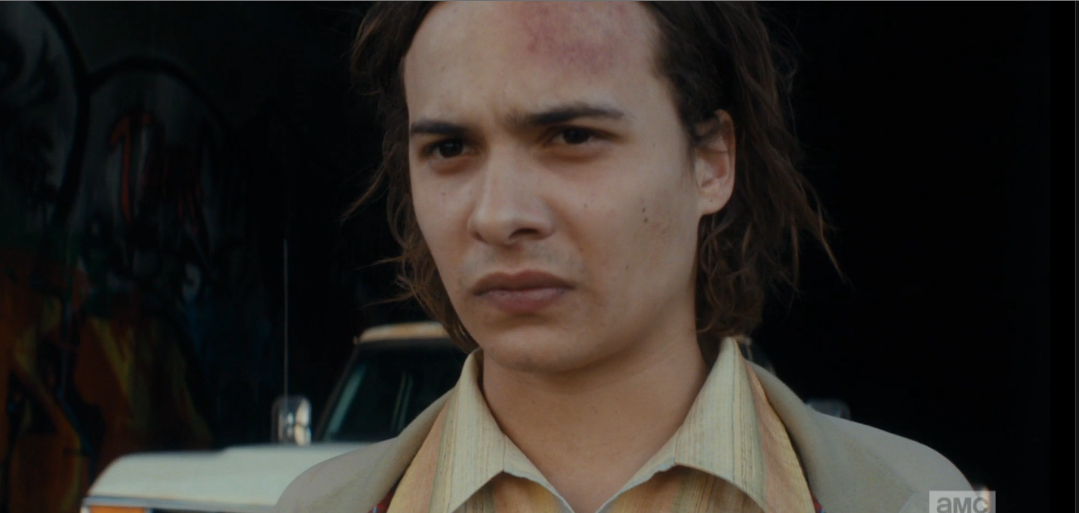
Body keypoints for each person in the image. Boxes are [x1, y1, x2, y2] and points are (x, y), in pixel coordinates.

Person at [275, 3, 971, 513]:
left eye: (572, 136)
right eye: (449, 148)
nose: (497, 215)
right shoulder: (318, 505)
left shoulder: (918, 493)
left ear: (711, 161)